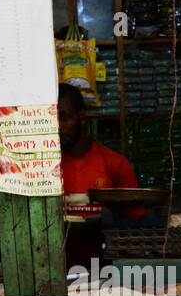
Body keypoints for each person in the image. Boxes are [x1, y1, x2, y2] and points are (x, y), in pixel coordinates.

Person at [57, 83, 141, 268]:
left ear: (81, 117)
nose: (58, 126)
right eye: (52, 119)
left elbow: (135, 219)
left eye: (64, 117)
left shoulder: (115, 163)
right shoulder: (45, 169)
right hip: (60, 265)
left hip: (107, 264)